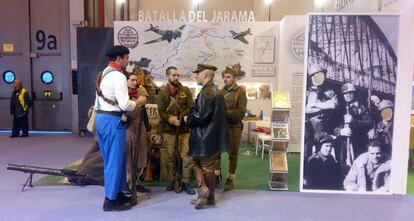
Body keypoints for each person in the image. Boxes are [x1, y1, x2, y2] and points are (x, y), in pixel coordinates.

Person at [94, 45, 140, 211]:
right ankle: (110, 200)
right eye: (126, 58)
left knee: (113, 159)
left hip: (101, 119)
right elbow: (125, 105)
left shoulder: (103, 73)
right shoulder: (119, 77)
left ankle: (118, 192)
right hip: (112, 121)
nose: (128, 62)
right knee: (114, 160)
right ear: (119, 58)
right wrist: (139, 102)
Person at [185, 63, 229, 209]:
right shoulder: (213, 90)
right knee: (197, 163)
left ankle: (209, 198)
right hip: (208, 136)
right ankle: (203, 193)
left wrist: (188, 116)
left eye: (198, 73)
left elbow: (200, 116)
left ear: (205, 75)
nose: (196, 76)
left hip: (203, 136)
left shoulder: (207, 92)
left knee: (206, 166)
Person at [157, 66, 196, 195]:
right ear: (168, 76)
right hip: (169, 130)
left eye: (177, 75)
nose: (176, 77)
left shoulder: (185, 90)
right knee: (170, 157)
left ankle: (185, 181)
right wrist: (170, 119)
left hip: (184, 129)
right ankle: (174, 179)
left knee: (186, 155)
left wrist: (179, 117)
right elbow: (161, 111)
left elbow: (191, 107)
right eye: (173, 75)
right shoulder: (162, 92)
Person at [214, 66, 247, 191]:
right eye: (224, 77)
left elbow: (240, 112)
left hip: (234, 127)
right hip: (221, 127)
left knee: (232, 154)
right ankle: (216, 176)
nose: (225, 79)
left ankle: (230, 179)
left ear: (234, 78)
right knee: (216, 152)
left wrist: (224, 114)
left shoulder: (240, 92)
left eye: (228, 77)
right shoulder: (221, 92)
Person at [333, 83, 373, 176]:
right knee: (342, 166)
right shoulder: (338, 109)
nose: (348, 95)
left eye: (351, 93)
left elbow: (369, 123)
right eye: (346, 93)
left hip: (357, 142)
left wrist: (354, 121)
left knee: (358, 165)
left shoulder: (361, 108)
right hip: (342, 143)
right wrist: (340, 131)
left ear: (354, 94)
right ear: (342, 95)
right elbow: (331, 125)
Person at [304, 63, 339, 161]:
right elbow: (306, 110)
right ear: (311, 78)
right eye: (315, 76)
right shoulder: (308, 93)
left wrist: (314, 105)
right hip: (309, 125)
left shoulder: (330, 92)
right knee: (306, 147)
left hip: (324, 126)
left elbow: (333, 105)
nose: (318, 78)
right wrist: (324, 106)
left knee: (326, 147)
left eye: (320, 75)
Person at [126, 72, 151, 193]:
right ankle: (128, 182)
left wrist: (148, 128)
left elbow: (144, 112)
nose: (135, 82)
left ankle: (136, 181)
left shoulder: (141, 93)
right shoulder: (122, 94)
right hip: (127, 128)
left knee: (139, 154)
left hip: (139, 127)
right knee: (128, 155)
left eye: (136, 80)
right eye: (132, 80)